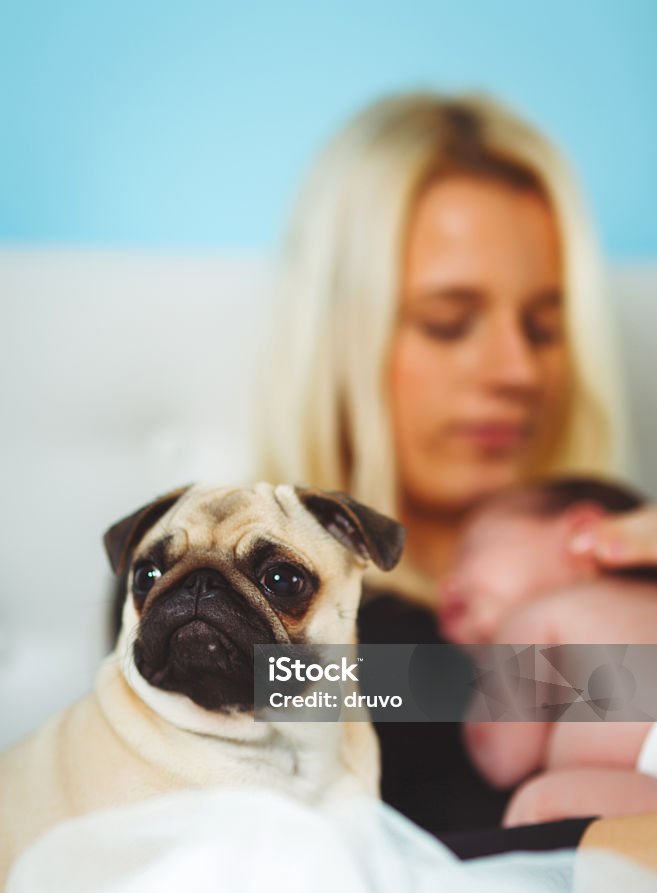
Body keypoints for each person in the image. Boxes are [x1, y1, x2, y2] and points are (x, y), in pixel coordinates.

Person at [254, 91, 628, 835]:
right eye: (448, 324)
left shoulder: (628, 567)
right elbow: (274, 684)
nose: (517, 371)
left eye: (545, 328)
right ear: (337, 341)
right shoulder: (202, 578)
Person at [440, 474, 657, 825]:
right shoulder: (643, 606)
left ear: (581, 535)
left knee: (538, 803)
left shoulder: (538, 615)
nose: (448, 583)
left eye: (470, 550)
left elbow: (503, 759)